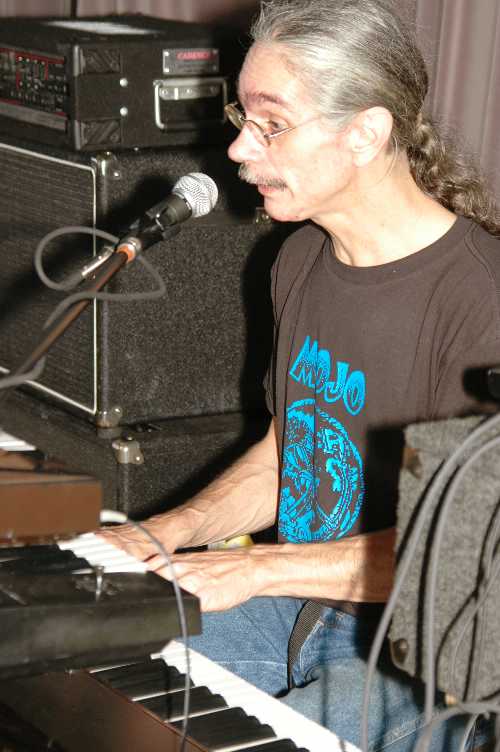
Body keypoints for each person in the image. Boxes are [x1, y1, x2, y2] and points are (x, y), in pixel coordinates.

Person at [101, 1, 500, 749]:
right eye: (241, 118)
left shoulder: (482, 303)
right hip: (300, 606)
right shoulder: (300, 257)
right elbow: (293, 447)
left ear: (365, 133)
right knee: (101, 675)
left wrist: (256, 570)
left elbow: (462, 563)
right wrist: (163, 534)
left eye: (272, 124)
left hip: (416, 653)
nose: (238, 149)